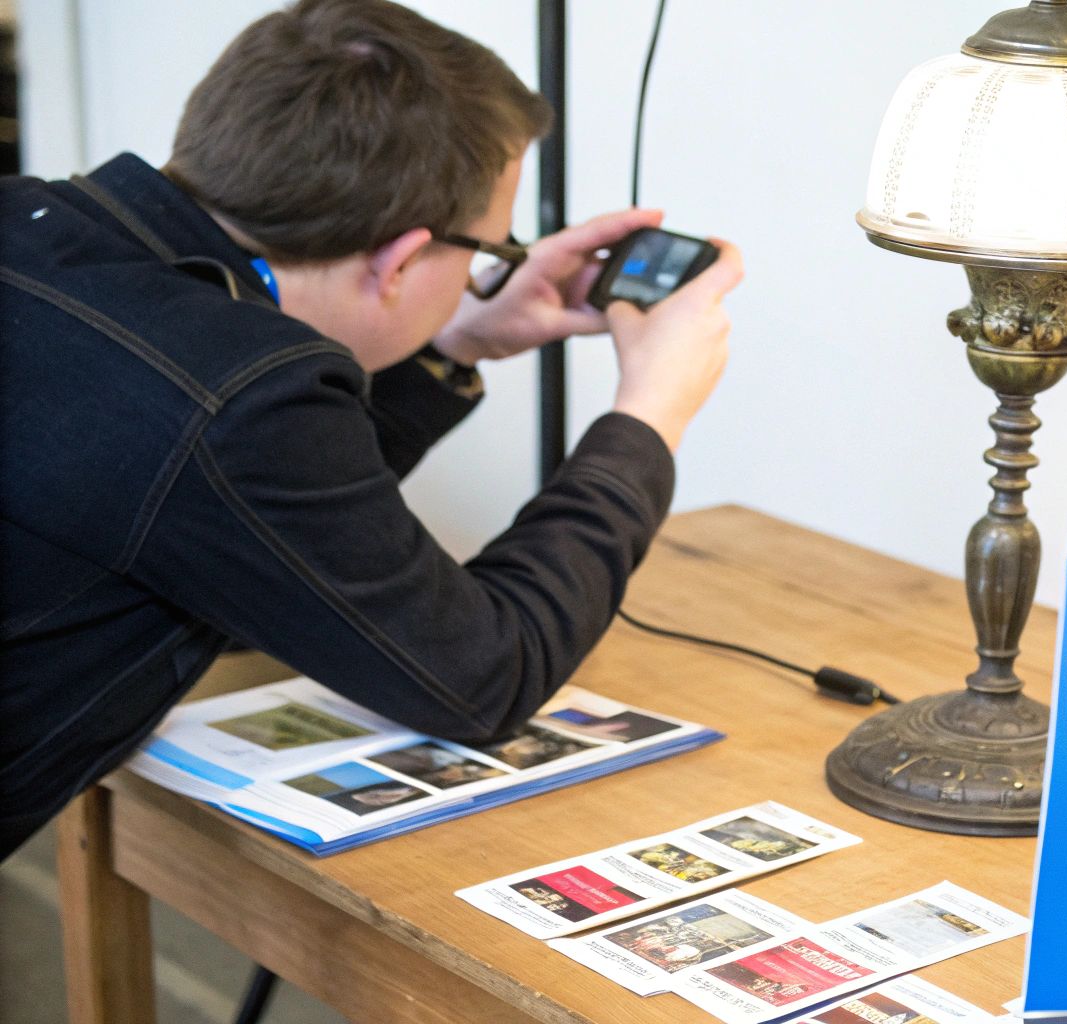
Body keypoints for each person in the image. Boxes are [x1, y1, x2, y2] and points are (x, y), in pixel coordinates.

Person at [0, 0, 742, 857]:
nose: (480, 275)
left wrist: (458, 342)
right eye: (486, 254)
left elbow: (252, 545)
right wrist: (648, 414)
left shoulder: (31, 221)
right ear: (398, 260)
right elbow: (484, 674)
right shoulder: (240, 396)